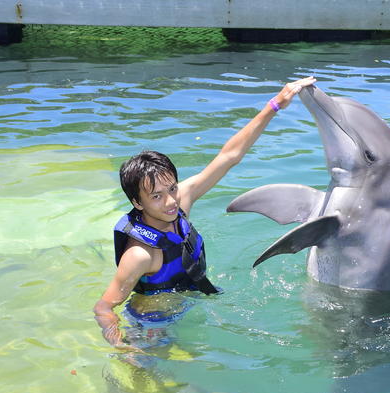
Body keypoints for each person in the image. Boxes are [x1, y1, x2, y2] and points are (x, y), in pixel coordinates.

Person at [94, 76, 317, 348]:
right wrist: (122, 346)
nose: (170, 202)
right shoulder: (140, 255)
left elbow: (229, 157)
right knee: (154, 374)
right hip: (152, 324)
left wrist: (275, 105)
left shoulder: (180, 203)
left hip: (190, 305)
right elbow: (104, 308)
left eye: (172, 189)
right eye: (156, 196)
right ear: (137, 203)